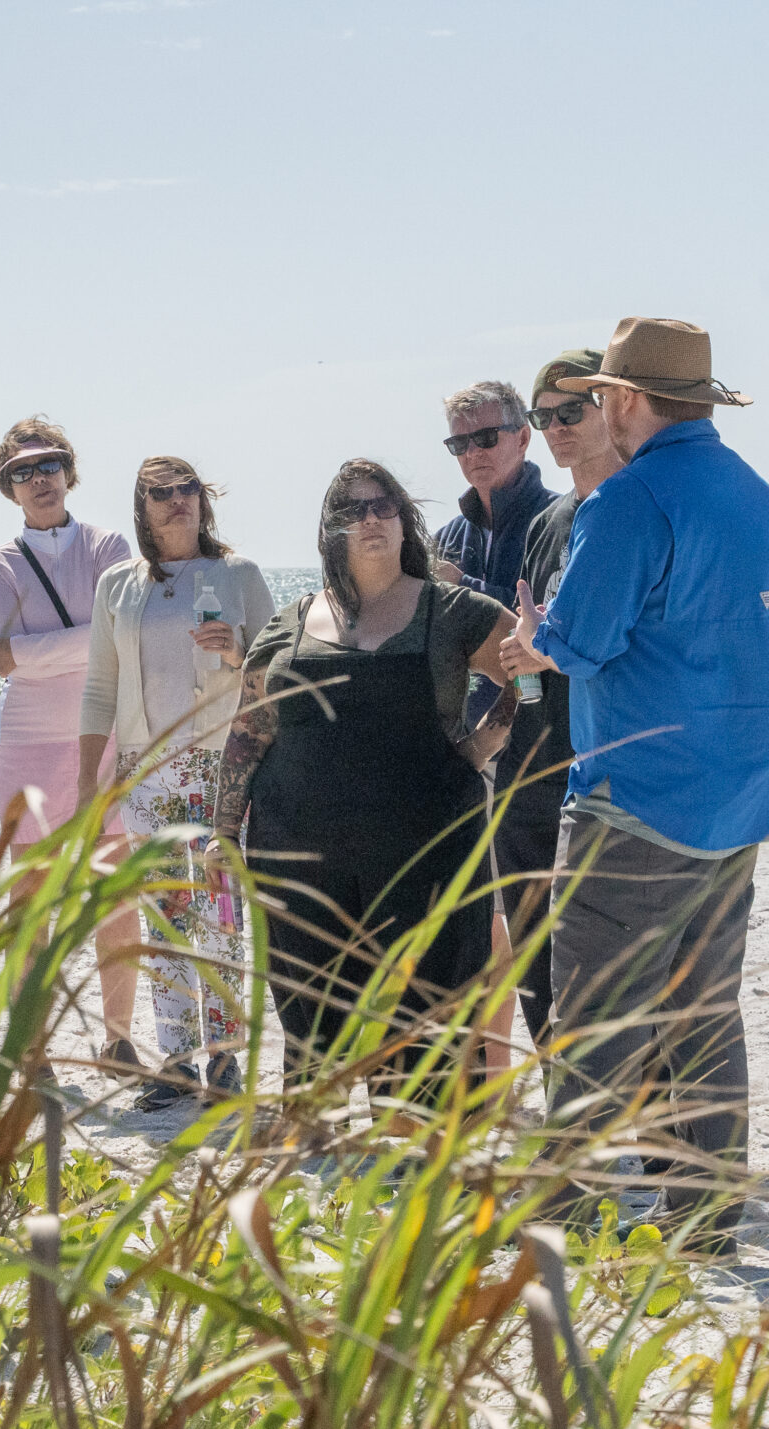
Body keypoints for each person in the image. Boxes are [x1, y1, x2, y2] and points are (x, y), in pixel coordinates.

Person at [499, 317, 769, 1254]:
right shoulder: (763, 501)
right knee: (706, 1010)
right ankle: (706, 1221)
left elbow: (578, 644)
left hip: (637, 791)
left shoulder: (629, 501)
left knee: (596, 1014)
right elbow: (762, 624)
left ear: (627, 400)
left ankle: (561, 1222)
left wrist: (529, 641)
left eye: (598, 396)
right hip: (739, 792)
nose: (595, 410)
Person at [216, 460, 518, 1090]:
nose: (371, 519)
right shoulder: (290, 622)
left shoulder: (453, 611)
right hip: (296, 853)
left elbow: (533, 669)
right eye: (352, 509)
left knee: (423, 1014)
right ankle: (324, 1153)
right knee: (310, 1013)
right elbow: (249, 729)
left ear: (405, 520)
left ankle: (414, 1150)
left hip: (423, 852)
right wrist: (223, 831)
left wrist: (479, 749)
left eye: (383, 506)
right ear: (331, 531)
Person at [77, 457, 275, 1111]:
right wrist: (88, 782)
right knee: (163, 922)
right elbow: (100, 688)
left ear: (203, 498)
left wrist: (233, 651)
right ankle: (178, 1059)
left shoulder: (237, 574)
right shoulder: (118, 585)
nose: (176, 501)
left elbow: (277, 674)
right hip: (144, 773)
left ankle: (224, 1059)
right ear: (142, 507)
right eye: (160, 493)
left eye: (186, 488)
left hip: (218, 765)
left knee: (219, 916)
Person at [0, 417, 143, 1070]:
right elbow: (3, 662)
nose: (38, 479)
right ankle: (32, 1044)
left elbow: (120, 633)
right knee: (32, 899)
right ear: (8, 487)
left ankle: (119, 1038)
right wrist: (77, 645)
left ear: (68, 473)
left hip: (102, 738)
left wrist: (33, 650)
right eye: (22, 471)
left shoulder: (108, 545)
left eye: (47, 465)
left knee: (115, 892)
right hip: (26, 743)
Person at [492, 349, 618, 1047]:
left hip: (610, 769)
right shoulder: (549, 521)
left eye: (573, 411)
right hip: (535, 766)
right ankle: (562, 1106)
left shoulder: (639, 507)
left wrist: (547, 647)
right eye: (545, 416)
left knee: (614, 960)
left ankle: (645, 1126)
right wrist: (521, 649)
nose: (557, 428)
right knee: (535, 958)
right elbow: (536, 630)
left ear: (616, 406)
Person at [431, 381, 556, 602]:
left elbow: (547, 615)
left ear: (523, 439)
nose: (472, 452)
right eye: (459, 443)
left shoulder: (560, 521)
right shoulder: (446, 539)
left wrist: (461, 585)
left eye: (486, 438)